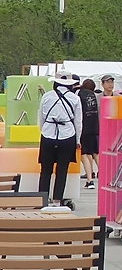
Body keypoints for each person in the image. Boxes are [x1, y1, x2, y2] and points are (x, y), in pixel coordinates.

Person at [38, 72, 82, 207]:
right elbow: (78, 122)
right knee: (62, 170)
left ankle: (42, 200)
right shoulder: (75, 98)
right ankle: (57, 201)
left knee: (45, 170)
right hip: (67, 135)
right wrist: (78, 140)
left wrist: (44, 131)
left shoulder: (46, 96)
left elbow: (41, 118)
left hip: (48, 134)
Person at [77, 79, 100, 190]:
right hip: (94, 127)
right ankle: (104, 174)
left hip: (84, 127)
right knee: (94, 152)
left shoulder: (80, 94)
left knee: (84, 153)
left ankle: (90, 178)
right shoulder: (93, 95)